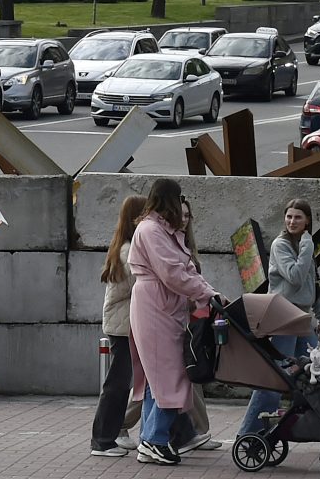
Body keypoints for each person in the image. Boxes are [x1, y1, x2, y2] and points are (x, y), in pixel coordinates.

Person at [126, 178, 218, 466]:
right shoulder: (152, 230)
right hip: (156, 306)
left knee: (159, 378)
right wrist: (206, 293)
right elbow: (173, 272)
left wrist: (207, 292)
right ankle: (154, 439)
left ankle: (151, 439)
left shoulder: (160, 229)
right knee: (171, 376)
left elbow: (183, 269)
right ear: (171, 200)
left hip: (161, 305)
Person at [238, 199, 320, 441]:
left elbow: (314, 283)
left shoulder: (305, 246)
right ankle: (249, 431)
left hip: (301, 318)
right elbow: (296, 277)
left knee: (316, 371)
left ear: (307, 220)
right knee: (276, 376)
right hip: (281, 316)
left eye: (298, 217)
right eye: (289, 217)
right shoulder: (281, 245)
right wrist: (308, 245)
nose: (292, 221)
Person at [89, 195, 144, 457]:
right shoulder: (127, 250)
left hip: (123, 324)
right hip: (123, 325)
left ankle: (107, 438)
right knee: (117, 384)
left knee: (120, 383)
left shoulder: (124, 245)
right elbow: (142, 283)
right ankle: (102, 440)